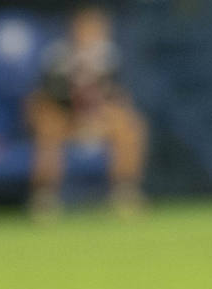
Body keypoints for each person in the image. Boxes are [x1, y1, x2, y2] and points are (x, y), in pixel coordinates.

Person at [24, 6, 148, 220]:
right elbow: (48, 98)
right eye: (87, 28)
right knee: (47, 125)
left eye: (97, 29)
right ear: (75, 29)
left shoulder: (110, 57)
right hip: (66, 118)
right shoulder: (57, 57)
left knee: (130, 125)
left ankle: (125, 192)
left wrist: (98, 115)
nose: (92, 34)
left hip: (98, 119)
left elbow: (118, 97)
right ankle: (45, 197)